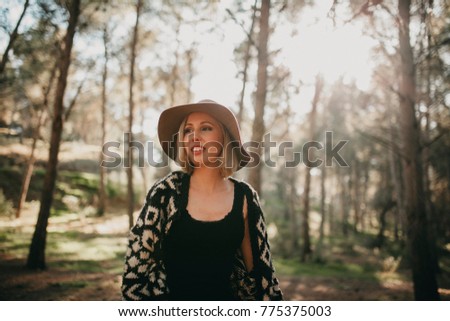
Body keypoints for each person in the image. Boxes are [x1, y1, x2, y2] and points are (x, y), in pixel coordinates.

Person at [121, 99, 283, 300]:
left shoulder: (245, 197)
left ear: (224, 138)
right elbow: (136, 273)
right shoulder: (166, 192)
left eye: (205, 128)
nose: (194, 136)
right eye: (188, 130)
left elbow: (259, 276)